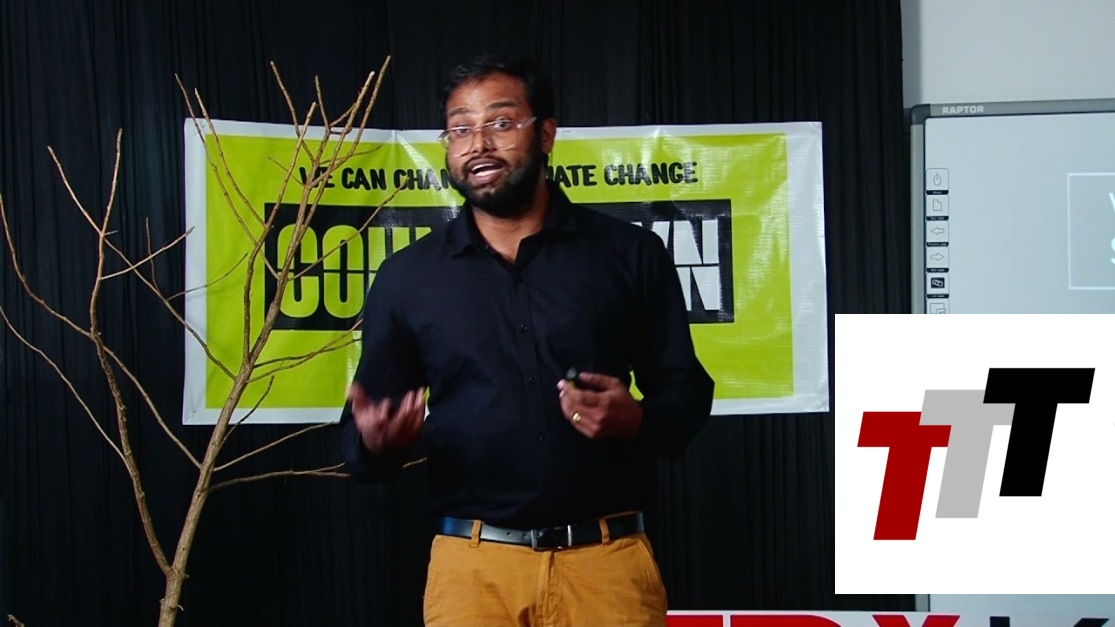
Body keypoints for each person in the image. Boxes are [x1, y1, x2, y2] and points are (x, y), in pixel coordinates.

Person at [339, 53, 714, 627]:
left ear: (546, 134)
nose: (478, 144)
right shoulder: (407, 278)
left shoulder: (629, 255)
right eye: (460, 129)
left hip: (606, 563)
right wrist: (378, 441)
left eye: (500, 122)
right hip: (472, 572)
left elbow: (686, 393)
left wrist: (636, 419)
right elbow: (362, 442)